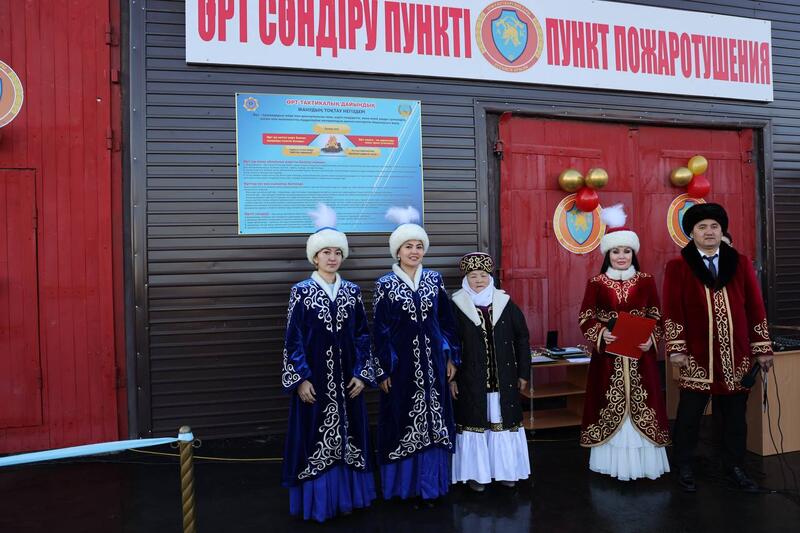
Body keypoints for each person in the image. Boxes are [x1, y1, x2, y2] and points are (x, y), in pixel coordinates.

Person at [663, 203, 774, 493]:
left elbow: (755, 306)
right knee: (689, 415)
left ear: (722, 230)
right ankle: (684, 465)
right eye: (702, 227)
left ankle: (734, 466)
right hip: (697, 355)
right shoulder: (679, 266)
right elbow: (673, 310)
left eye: (714, 226)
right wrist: (676, 347)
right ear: (692, 233)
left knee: (735, 417)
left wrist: (762, 347)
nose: (709, 232)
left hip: (735, 354)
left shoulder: (740, 262)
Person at [281, 203, 377, 522]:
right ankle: (319, 503)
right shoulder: (301, 292)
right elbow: (293, 339)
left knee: (351, 437)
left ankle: (349, 496)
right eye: (326, 252)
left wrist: (362, 373)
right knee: (313, 438)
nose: (332, 257)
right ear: (315, 257)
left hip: (348, 381)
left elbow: (363, 335)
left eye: (337, 252)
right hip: (316, 382)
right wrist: (301, 378)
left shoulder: (351, 291)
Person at [373, 206, 461, 507]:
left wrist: (451, 357)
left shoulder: (434, 280)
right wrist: (383, 369)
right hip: (401, 369)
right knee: (402, 421)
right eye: (408, 246)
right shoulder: (385, 285)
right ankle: (404, 488)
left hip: (434, 367)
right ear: (397, 251)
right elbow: (380, 330)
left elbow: (447, 323)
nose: (414, 251)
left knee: (435, 422)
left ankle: (431, 487)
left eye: (419, 246)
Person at [578, 204, 671, 481]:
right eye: (616, 251)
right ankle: (611, 464)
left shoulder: (646, 281)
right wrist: (600, 334)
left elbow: (656, 315)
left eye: (626, 251)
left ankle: (644, 465)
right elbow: (585, 317)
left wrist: (651, 339)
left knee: (645, 404)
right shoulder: (596, 282)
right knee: (607, 402)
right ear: (607, 254)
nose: (621, 256)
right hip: (608, 358)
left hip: (641, 358)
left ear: (634, 253)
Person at [449, 252, 531, 492]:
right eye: (473, 276)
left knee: (501, 423)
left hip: (504, 380)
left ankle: (507, 471)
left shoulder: (506, 303)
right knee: (475, 424)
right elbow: (450, 344)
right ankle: (476, 474)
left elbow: (522, 339)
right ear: (466, 279)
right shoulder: (456, 306)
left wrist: (523, 373)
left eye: (483, 275)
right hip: (470, 381)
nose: (479, 280)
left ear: (490, 277)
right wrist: (451, 379)